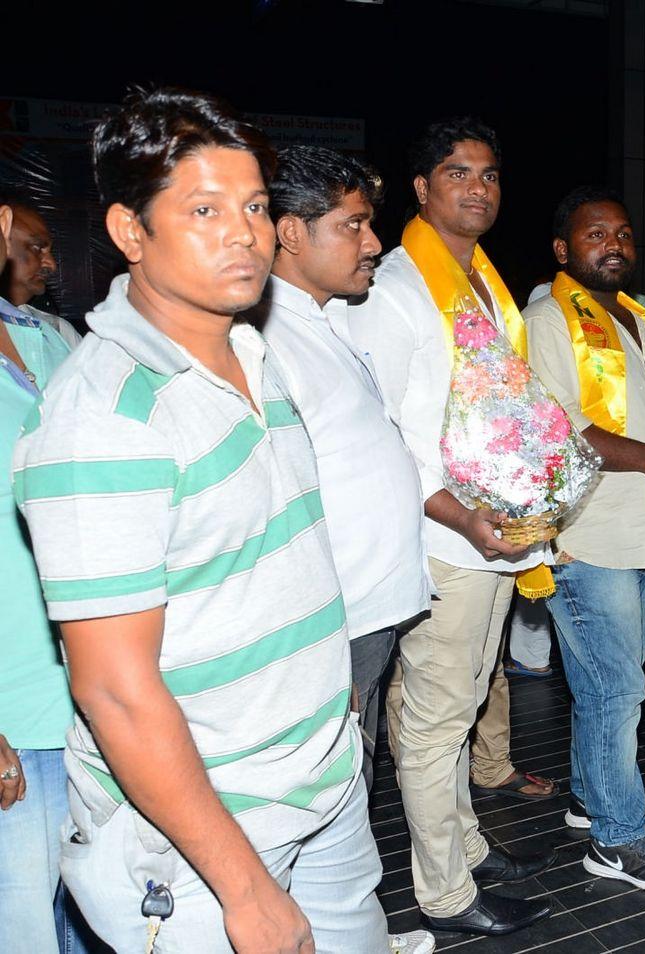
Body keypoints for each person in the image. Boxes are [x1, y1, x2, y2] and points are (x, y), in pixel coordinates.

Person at [12, 87, 393, 952]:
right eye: (204, 209)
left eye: (255, 205)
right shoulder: (104, 419)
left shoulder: (254, 349)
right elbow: (114, 687)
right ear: (128, 233)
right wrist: (244, 889)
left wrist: (328, 697)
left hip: (323, 782)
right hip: (203, 842)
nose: (245, 233)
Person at [347, 118, 554, 937]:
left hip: (493, 538)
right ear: (423, 190)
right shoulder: (395, 290)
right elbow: (384, 431)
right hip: (445, 540)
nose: (479, 188)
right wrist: (463, 516)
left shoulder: (488, 287)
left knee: (465, 701)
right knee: (434, 720)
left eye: (491, 174)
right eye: (458, 173)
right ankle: (444, 892)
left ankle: (466, 846)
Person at [524, 186, 645, 890]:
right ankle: (615, 838)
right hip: (587, 533)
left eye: (624, 233)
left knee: (608, 683)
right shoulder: (547, 318)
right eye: (597, 234)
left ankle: (591, 795)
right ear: (565, 250)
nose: (615, 244)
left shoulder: (636, 318)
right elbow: (556, 425)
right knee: (615, 690)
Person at [249, 145, 431, 793]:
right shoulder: (265, 339)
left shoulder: (326, 323)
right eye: (351, 224)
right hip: (335, 623)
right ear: (291, 232)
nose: (374, 241)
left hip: (369, 612)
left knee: (353, 780)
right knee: (328, 793)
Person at [0, 194, 93, 954]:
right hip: (12, 712)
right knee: (23, 923)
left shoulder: (47, 339)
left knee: (95, 914)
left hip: (95, 694)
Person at [0, 195, 83, 347]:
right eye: (37, 248)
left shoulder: (59, 332)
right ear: (3, 232)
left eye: (50, 251)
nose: (51, 265)